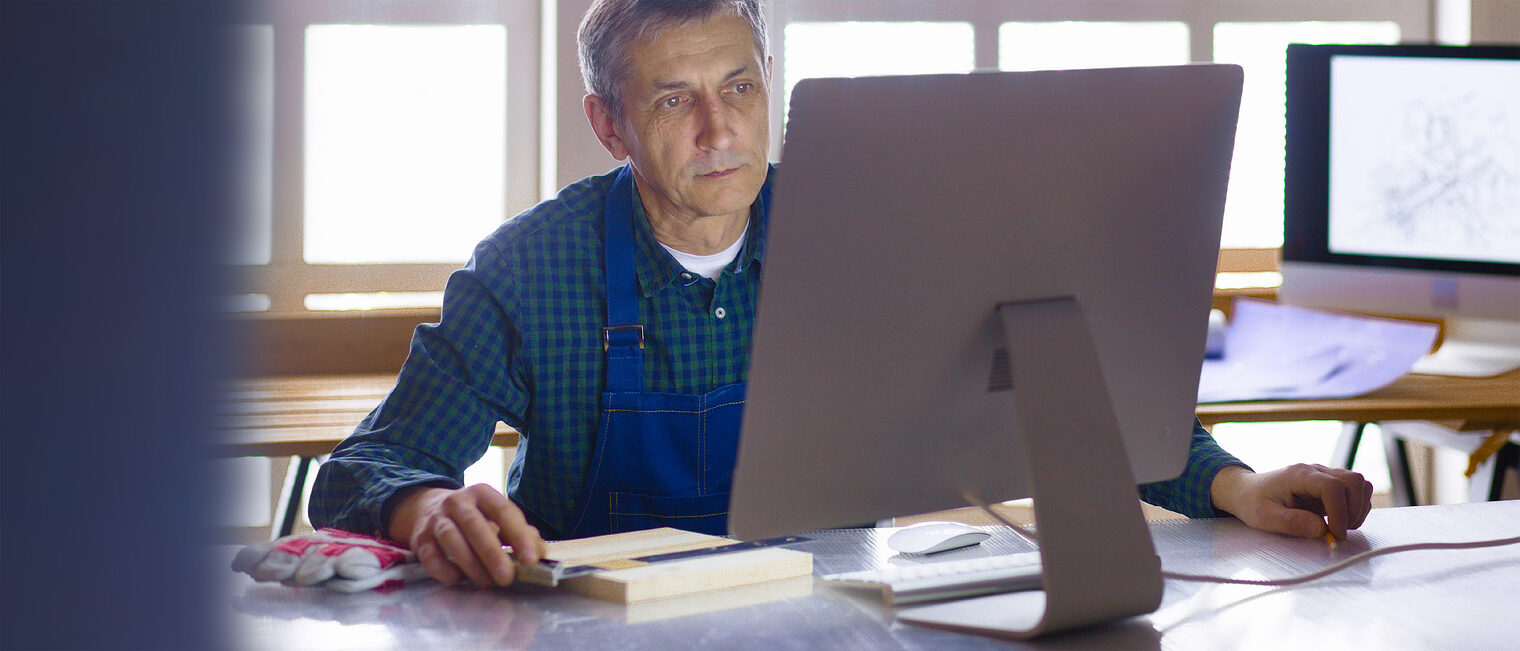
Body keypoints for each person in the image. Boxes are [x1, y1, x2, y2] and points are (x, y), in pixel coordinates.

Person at [310, 0, 1374, 590]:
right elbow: (366, 467)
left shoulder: (865, 225)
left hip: (837, 617)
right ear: (607, 124)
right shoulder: (528, 268)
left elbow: (1054, 380)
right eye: (673, 100)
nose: (718, 131)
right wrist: (427, 506)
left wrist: (1233, 488)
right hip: (597, 632)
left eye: (738, 88)